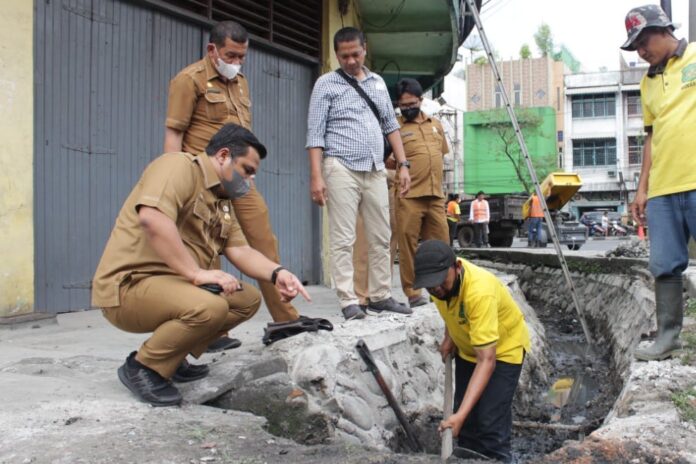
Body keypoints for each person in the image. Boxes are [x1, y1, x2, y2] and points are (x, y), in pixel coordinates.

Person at [92, 124, 310, 407]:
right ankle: (143, 367)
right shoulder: (178, 166)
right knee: (211, 306)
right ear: (222, 156)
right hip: (129, 287)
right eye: (246, 169)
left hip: (169, 287)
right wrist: (196, 273)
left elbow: (240, 250)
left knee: (246, 299)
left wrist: (278, 273)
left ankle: (173, 355)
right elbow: (152, 219)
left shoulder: (221, 200)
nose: (251, 179)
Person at [165, 21, 300, 353]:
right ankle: (213, 332)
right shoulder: (188, 80)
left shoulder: (241, 82)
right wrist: (174, 178)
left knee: (263, 238)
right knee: (208, 252)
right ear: (212, 50)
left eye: (242, 56)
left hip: (239, 178)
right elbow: (174, 134)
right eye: (231, 55)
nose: (237, 61)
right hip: (204, 180)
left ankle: (285, 318)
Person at [306, 27, 412, 320]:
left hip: (376, 168)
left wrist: (403, 165)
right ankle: (348, 299)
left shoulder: (378, 83)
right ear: (336, 55)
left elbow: (391, 125)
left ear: (365, 49)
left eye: (355, 54)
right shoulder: (326, 84)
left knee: (381, 234)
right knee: (343, 237)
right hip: (340, 166)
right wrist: (316, 176)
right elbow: (315, 134)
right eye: (344, 56)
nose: (351, 60)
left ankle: (380, 295)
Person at [621, 4, 696, 361]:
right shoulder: (646, 83)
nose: (640, 51)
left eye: (643, 40)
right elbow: (650, 137)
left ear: (664, 30)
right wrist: (642, 188)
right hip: (664, 189)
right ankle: (668, 337)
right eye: (634, 45)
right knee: (664, 263)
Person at [413, 240, 530, 462]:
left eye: (440, 283)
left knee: (489, 422)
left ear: (457, 267)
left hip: (503, 351)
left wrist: (459, 416)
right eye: (430, 286)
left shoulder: (480, 292)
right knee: (466, 424)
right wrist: (449, 336)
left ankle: (499, 459)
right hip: (469, 348)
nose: (436, 289)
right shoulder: (437, 284)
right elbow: (450, 307)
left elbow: (487, 360)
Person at [394, 78, 450, 308]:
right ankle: (413, 292)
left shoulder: (435, 124)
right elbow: (387, 160)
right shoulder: (395, 128)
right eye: (403, 105)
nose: (407, 109)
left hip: (435, 195)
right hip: (409, 196)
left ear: (421, 100)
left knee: (441, 243)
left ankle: (444, 286)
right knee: (407, 245)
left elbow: (442, 153)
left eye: (411, 103)